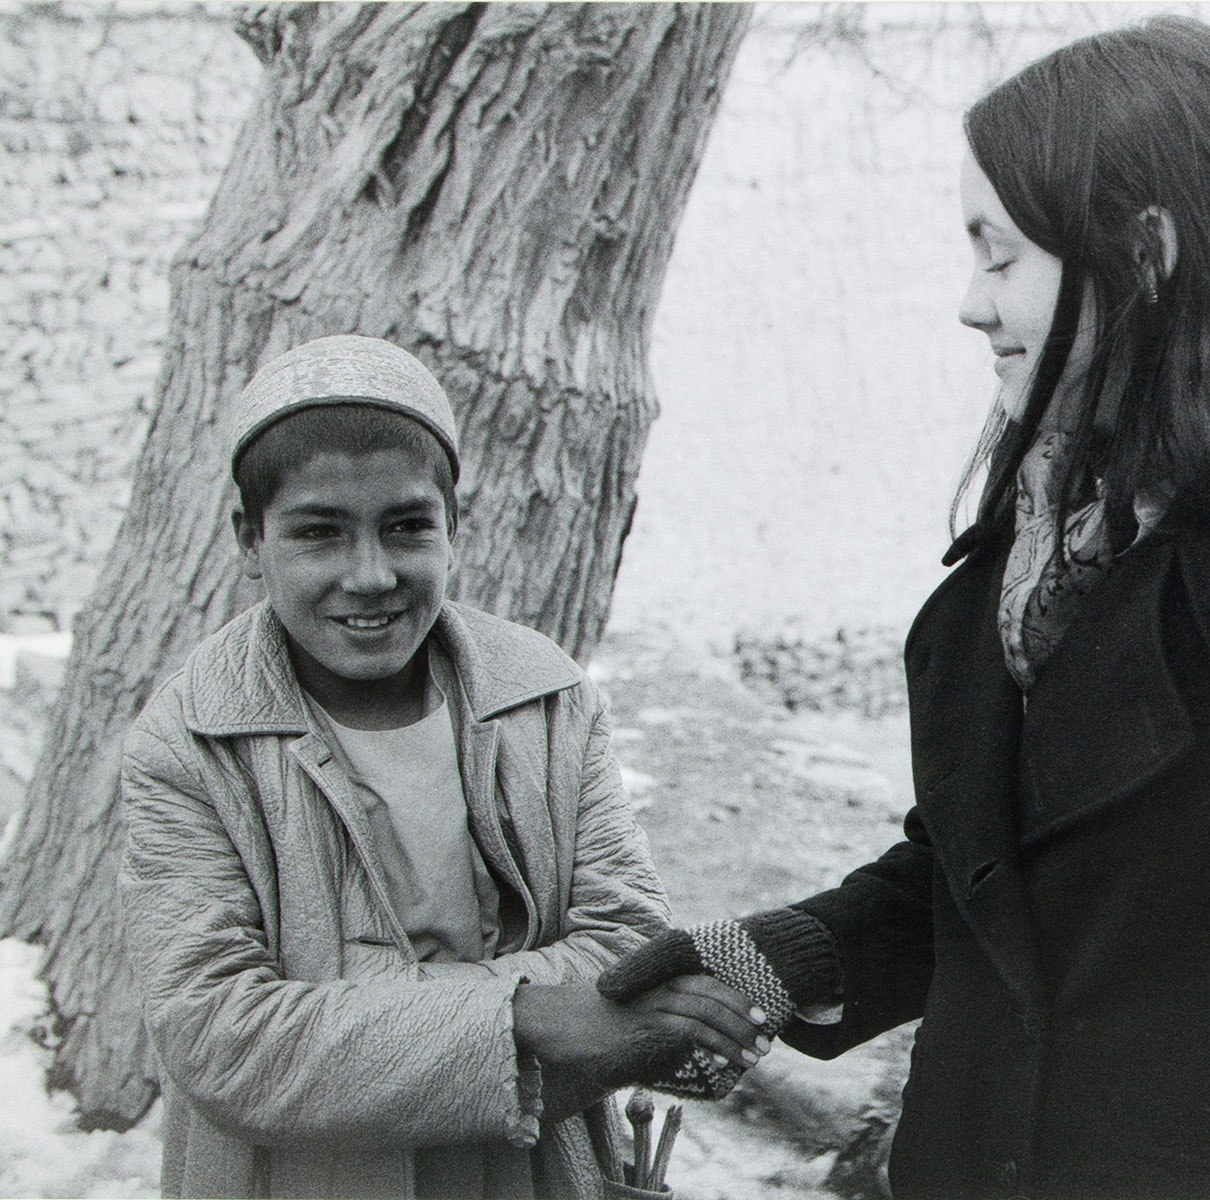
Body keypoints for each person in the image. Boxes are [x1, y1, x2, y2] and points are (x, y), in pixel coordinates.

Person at [600, 16, 1210, 1199]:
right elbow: (987, 881)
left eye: (997, 256)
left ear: (1141, 253)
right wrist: (763, 964)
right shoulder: (1041, 537)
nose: (968, 306)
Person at [119, 334, 766, 1200]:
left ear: (454, 524)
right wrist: (527, 1014)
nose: (372, 575)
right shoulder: (193, 741)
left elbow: (626, 949)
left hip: (531, 1166)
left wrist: (366, 1029)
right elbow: (221, 1036)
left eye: (406, 527)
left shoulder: (541, 697)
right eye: (319, 533)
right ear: (249, 536)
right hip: (300, 1178)